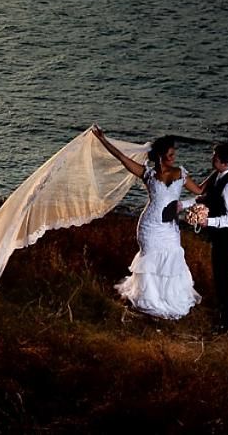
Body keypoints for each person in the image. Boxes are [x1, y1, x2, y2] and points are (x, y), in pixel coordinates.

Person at [91, 125, 203, 319]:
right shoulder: (147, 174)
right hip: (149, 226)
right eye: (169, 155)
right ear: (160, 156)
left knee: (172, 257)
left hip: (169, 228)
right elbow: (122, 158)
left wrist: (219, 175)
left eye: (174, 154)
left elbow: (200, 192)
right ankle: (149, 300)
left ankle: (168, 299)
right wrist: (103, 140)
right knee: (150, 261)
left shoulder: (180, 173)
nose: (173, 158)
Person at [183, 142, 228, 332]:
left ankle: (226, 319)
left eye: (214, 156)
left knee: (224, 274)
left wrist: (207, 222)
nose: (212, 158)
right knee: (220, 273)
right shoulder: (218, 175)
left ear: (224, 162)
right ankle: (224, 308)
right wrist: (183, 205)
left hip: (226, 235)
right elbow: (206, 197)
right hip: (220, 235)